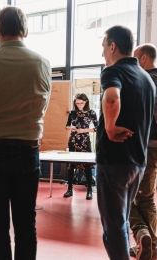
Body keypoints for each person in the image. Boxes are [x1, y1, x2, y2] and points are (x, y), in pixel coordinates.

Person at [0, 6, 51, 260]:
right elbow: (42, 107)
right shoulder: (42, 63)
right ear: (25, 30)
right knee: (27, 225)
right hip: (27, 150)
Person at [96, 25, 155, 260]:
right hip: (138, 163)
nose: (103, 53)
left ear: (112, 46)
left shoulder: (113, 72)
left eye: (103, 47)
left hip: (115, 161)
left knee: (114, 228)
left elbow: (111, 98)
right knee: (123, 217)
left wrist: (109, 128)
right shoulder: (147, 79)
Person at [129, 43, 157, 259]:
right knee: (144, 198)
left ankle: (146, 239)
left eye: (135, 58)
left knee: (134, 198)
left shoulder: (146, 81)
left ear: (144, 58)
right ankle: (146, 243)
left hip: (148, 146)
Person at [64, 93, 98, 200]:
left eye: (81, 103)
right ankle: (69, 189)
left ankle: (89, 191)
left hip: (85, 140)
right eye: (77, 103)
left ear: (86, 102)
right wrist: (72, 129)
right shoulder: (72, 112)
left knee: (87, 166)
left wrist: (84, 130)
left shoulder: (91, 112)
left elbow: (97, 128)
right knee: (71, 166)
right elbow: (67, 126)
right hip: (73, 140)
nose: (79, 105)